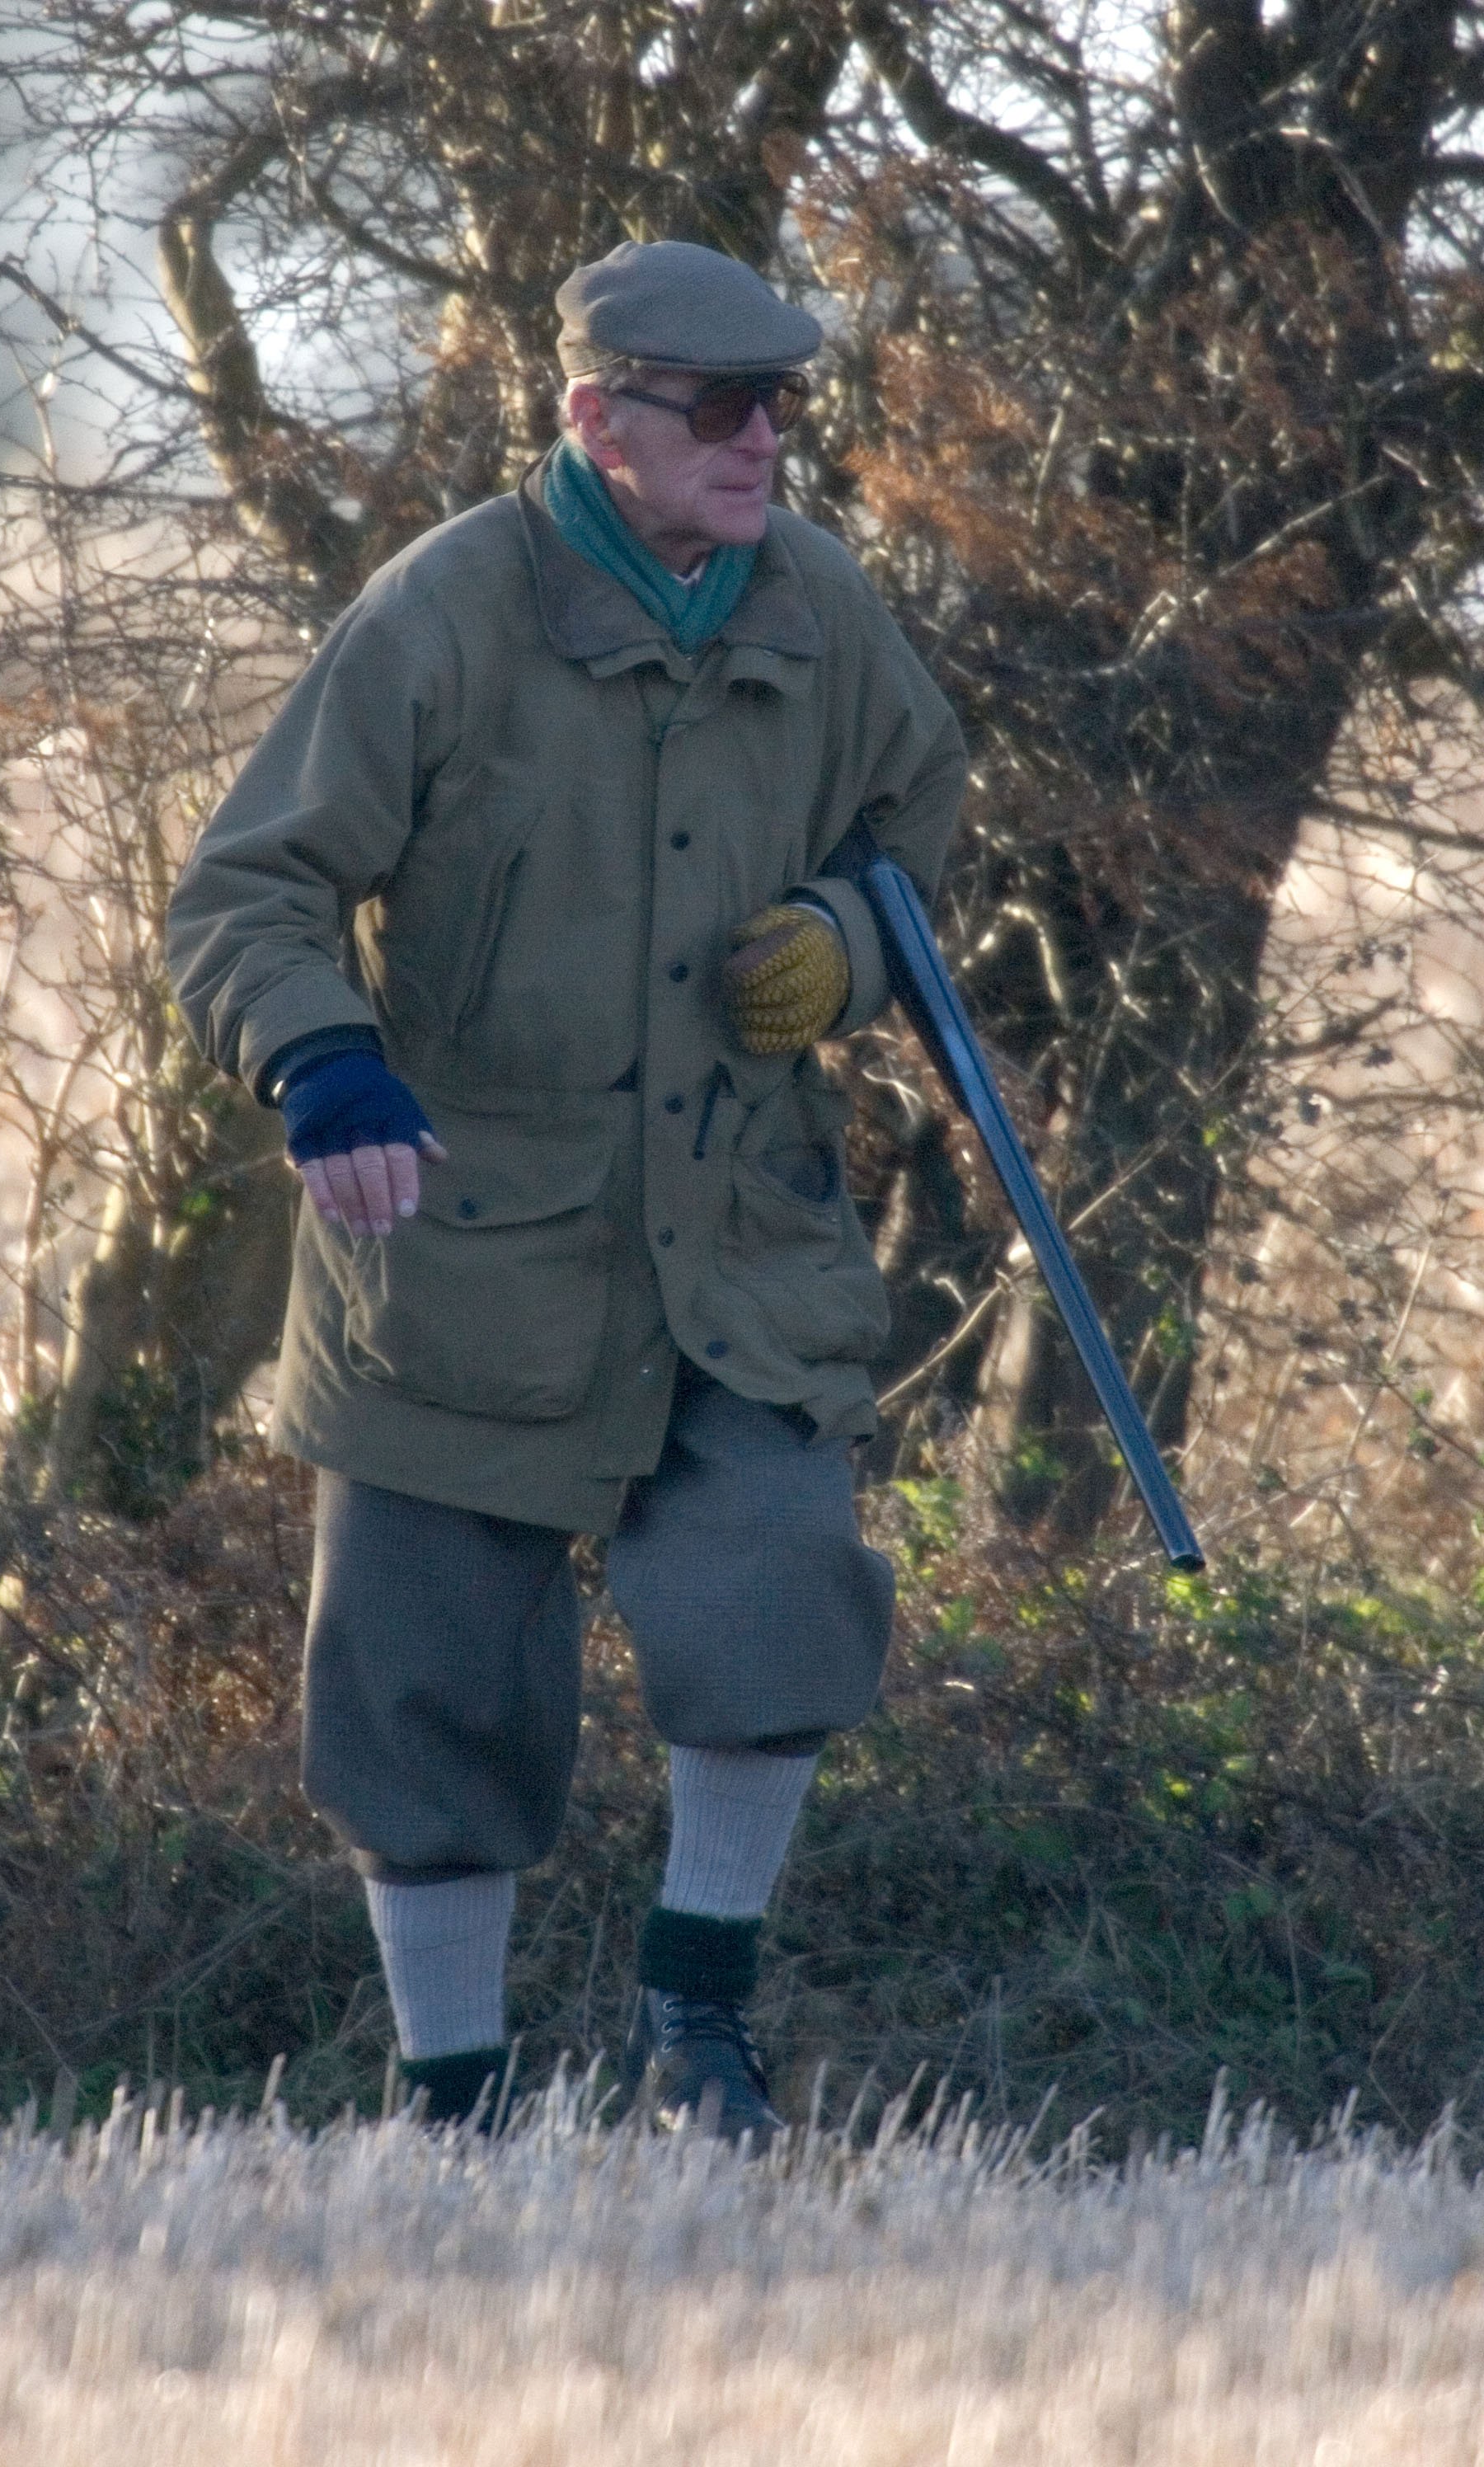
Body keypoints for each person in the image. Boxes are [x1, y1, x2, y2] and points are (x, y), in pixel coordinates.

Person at [167, 238, 966, 2145]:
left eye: (782, 404)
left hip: (737, 1240)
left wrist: (847, 944)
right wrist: (322, 1062)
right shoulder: (442, 611)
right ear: (594, 418)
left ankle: (698, 2029)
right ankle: (454, 2101)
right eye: (718, 408)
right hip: (458, 1251)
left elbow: (916, 831)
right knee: (425, 1697)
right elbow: (248, 890)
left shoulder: (822, 606)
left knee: (775, 1591)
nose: (763, 438)